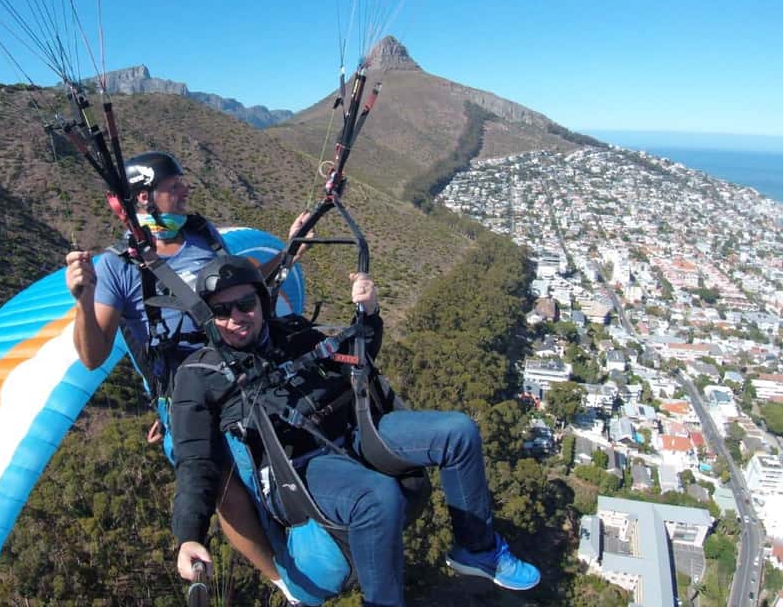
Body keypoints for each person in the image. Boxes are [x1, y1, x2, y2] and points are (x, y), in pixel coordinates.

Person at [169, 256, 541, 606]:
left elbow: (358, 357)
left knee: (458, 432)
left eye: (245, 304)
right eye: (221, 310)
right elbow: (195, 462)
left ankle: (476, 550)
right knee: (377, 496)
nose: (235, 317)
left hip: (352, 432)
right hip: (298, 469)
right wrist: (189, 536)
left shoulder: (293, 333)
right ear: (207, 317)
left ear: (262, 303)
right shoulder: (198, 375)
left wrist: (370, 312)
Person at [64, 151, 309, 596]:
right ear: (144, 198)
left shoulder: (202, 233)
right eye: (174, 187)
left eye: (183, 185)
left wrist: (288, 250)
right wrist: (83, 298)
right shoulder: (116, 266)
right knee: (218, 485)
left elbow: (243, 282)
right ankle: (285, 584)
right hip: (187, 388)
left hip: (239, 362)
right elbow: (92, 356)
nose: (185, 192)